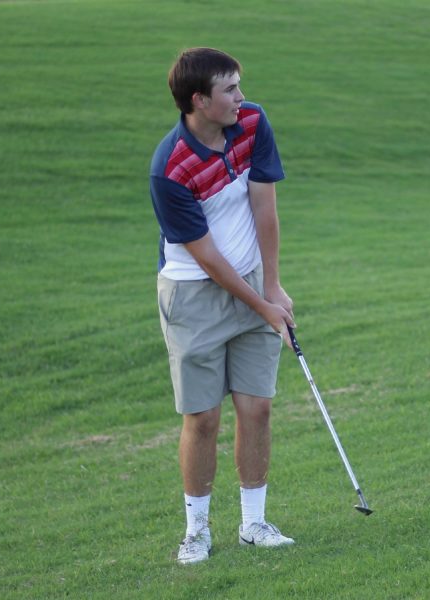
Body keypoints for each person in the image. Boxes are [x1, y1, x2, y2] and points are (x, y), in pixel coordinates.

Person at [149, 47, 295, 565]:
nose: (241, 97)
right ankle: (196, 531)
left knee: (257, 406)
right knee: (203, 418)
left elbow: (264, 207)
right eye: (229, 90)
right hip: (194, 297)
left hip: (254, 282)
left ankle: (253, 524)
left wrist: (272, 288)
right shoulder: (170, 170)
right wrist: (262, 305)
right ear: (198, 101)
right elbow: (209, 261)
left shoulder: (251, 122)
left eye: (239, 86)